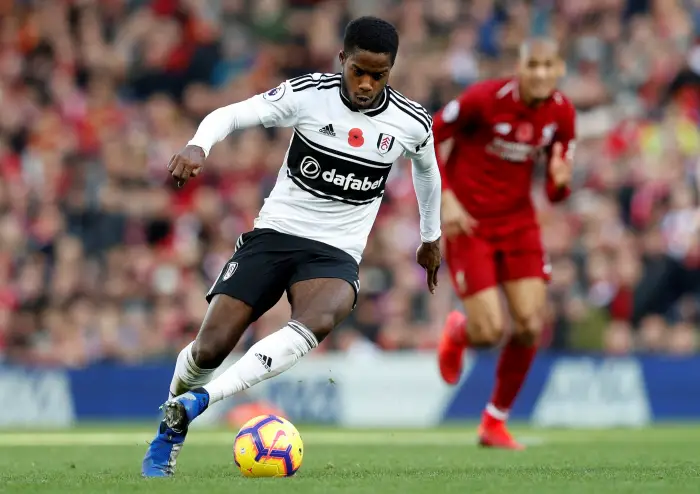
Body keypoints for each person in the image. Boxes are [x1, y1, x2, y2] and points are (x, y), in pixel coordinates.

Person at [141, 16, 442, 477]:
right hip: (275, 235)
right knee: (209, 348)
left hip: (335, 252)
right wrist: (199, 145)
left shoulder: (410, 122)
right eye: (358, 70)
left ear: (392, 70)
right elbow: (231, 114)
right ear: (342, 59)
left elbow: (428, 172)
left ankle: (201, 400)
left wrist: (430, 236)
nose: (365, 83)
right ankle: (172, 421)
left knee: (322, 316)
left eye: (377, 75)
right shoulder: (308, 94)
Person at [434, 38, 575, 450]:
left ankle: (494, 422)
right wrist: (446, 197)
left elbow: (554, 191)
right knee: (489, 330)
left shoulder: (562, 114)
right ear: (520, 67)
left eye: (549, 66)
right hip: (470, 224)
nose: (541, 74)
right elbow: (427, 136)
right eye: (533, 65)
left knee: (531, 324)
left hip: (519, 224)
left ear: (559, 70)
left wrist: (560, 183)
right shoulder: (483, 99)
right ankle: (460, 332)